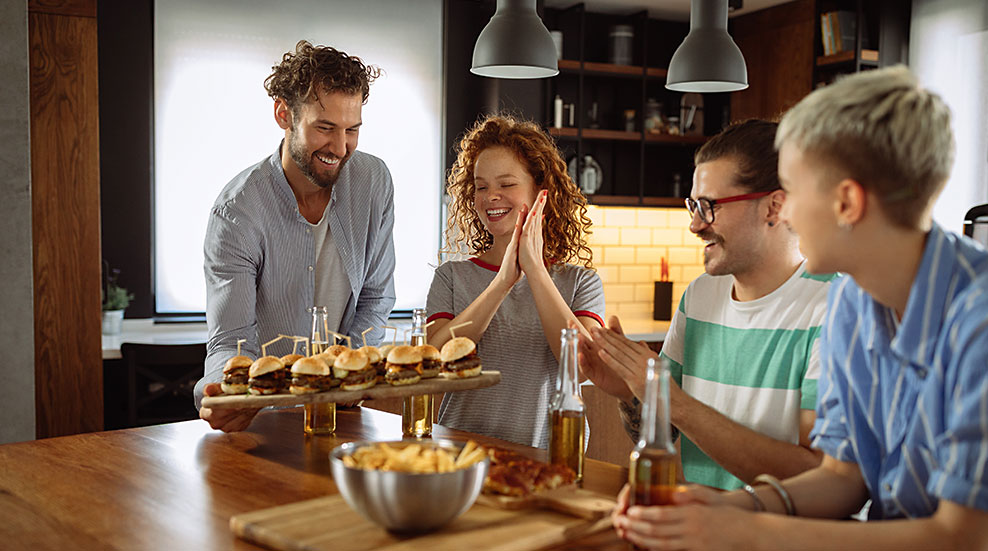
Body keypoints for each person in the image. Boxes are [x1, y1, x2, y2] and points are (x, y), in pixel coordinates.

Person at [613, 66, 988, 550]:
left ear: (847, 203)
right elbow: (842, 477)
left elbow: (963, 537)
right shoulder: (853, 303)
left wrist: (749, 530)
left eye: (794, 191)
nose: (784, 212)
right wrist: (730, 505)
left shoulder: (977, 323)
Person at [580, 120, 837, 490]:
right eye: (693, 206)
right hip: (697, 525)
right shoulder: (700, 297)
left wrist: (674, 401)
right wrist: (629, 390)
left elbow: (817, 478)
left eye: (708, 206)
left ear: (774, 207)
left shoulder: (833, 310)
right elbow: (662, 433)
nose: (695, 225)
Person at [194, 41, 396, 432]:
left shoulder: (374, 182)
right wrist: (222, 392)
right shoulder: (236, 213)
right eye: (325, 129)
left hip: (346, 414)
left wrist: (344, 374)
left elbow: (376, 299)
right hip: (267, 423)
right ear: (283, 114)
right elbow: (231, 342)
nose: (340, 148)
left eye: (352, 130)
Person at [426, 114, 605, 449]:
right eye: (481, 186)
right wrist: (501, 284)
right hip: (459, 457)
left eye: (506, 184)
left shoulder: (581, 282)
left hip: (548, 460)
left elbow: (583, 368)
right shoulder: (451, 277)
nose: (491, 196)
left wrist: (535, 271)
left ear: (541, 192)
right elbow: (432, 363)